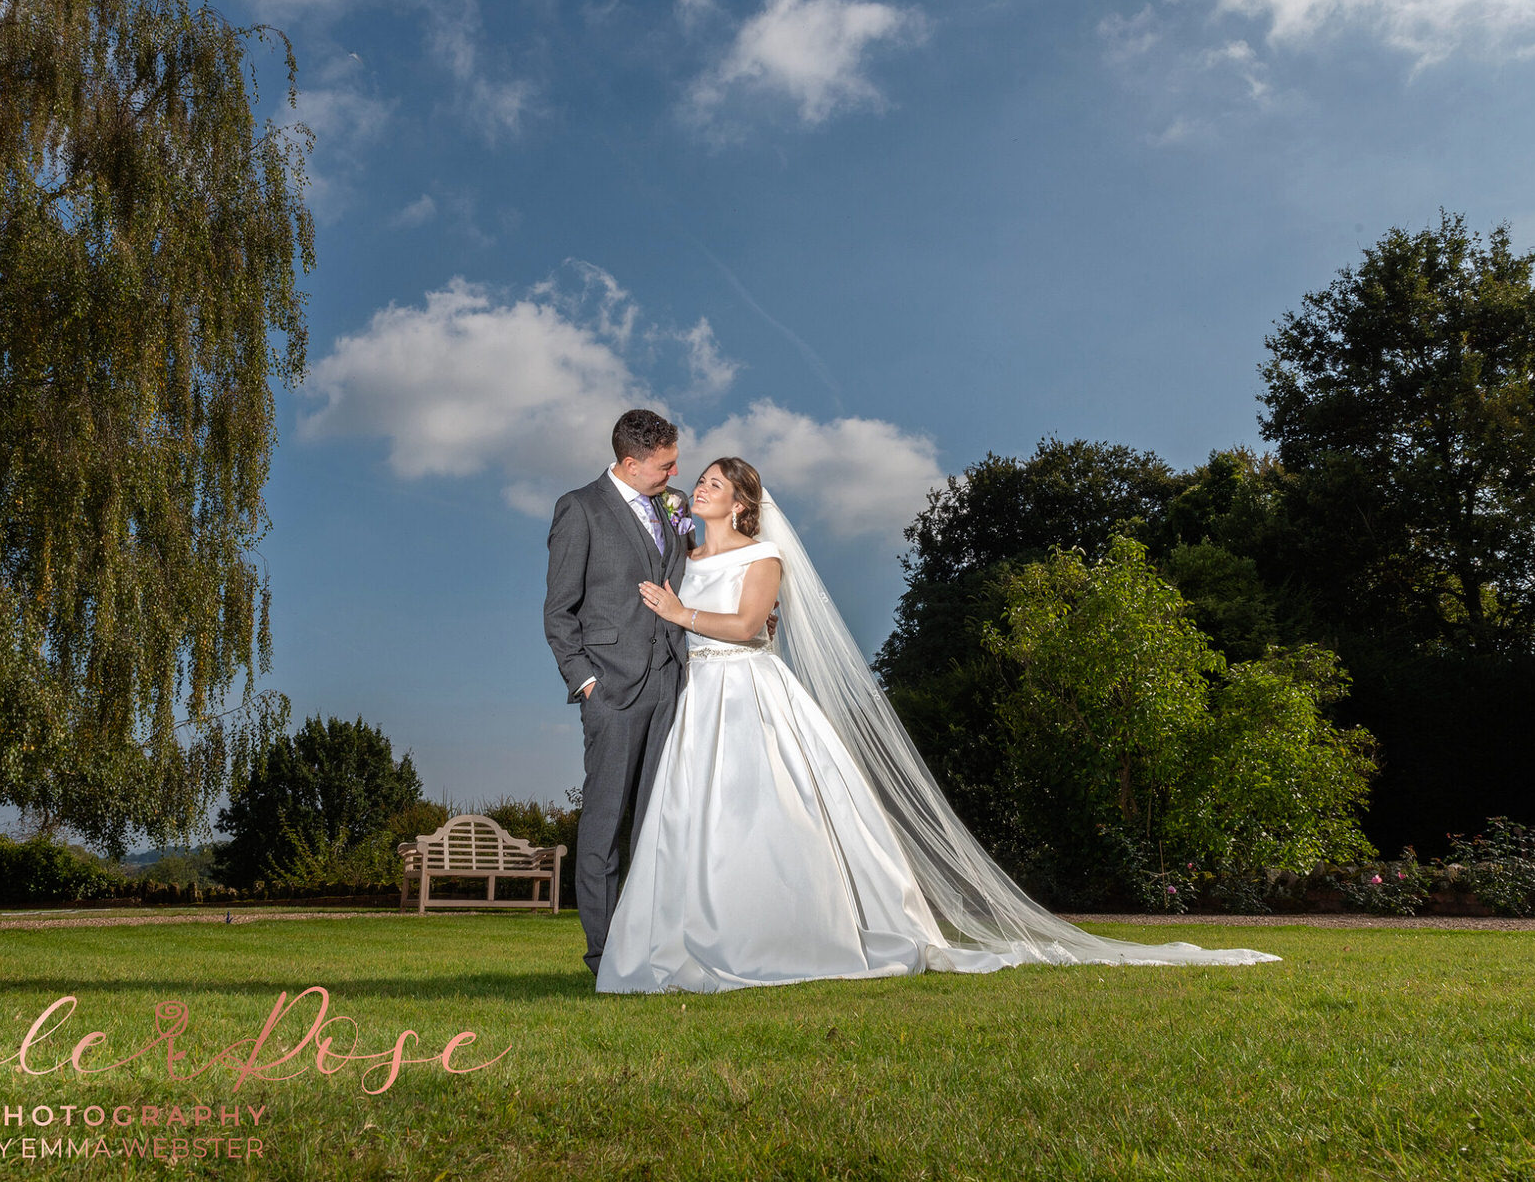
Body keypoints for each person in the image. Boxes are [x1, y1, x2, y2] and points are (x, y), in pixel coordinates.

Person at [595, 456, 1283, 994]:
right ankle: (690, 940)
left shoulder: (762, 558)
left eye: (715, 482)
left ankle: (785, 938)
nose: (702, 489)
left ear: (743, 501)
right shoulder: (686, 560)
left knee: (767, 814)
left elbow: (749, 627)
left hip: (749, 692)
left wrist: (681, 616)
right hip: (700, 698)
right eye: (703, 482)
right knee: (697, 820)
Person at [542, 409, 696, 977]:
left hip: (672, 682)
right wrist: (586, 682)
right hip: (611, 688)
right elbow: (559, 612)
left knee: (657, 820)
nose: (677, 472)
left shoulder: (671, 507)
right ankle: (604, 955)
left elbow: (688, 576)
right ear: (630, 464)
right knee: (605, 823)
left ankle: (650, 946)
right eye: (666, 464)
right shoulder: (579, 508)